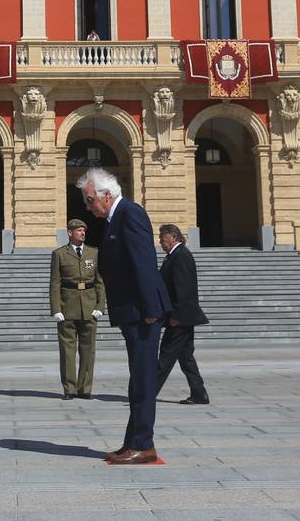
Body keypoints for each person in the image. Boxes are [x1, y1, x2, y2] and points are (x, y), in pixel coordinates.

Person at [78, 168, 170, 466]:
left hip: (142, 312)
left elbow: (144, 263)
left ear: (107, 195)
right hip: (133, 311)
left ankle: (143, 445)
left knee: (143, 379)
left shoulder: (130, 213)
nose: (88, 206)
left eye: (90, 199)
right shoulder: (115, 218)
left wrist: (150, 311)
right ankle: (134, 441)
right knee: (138, 379)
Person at [49, 218, 106, 400]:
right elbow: (55, 283)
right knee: (67, 351)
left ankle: (85, 388)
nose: (82, 233)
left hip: (89, 306)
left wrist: (100, 306)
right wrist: (56, 308)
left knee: (88, 350)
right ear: (69, 233)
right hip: (67, 306)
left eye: (84, 230)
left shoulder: (93, 253)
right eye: (78, 230)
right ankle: (70, 388)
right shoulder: (60, 254)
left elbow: (100, 282)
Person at [155, 224, 210, 404]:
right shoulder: (174, 256)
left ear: (174, 237)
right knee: (186, 357)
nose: (160, 241)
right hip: (182, 317)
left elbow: (184, 290)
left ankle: (147, 394)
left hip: (180, 318)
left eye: (163, 238)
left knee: (165, 356)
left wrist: (176, 317)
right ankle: (199, 393)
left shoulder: (180, 256)